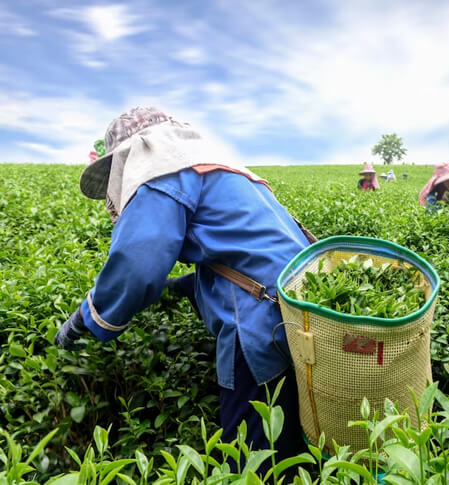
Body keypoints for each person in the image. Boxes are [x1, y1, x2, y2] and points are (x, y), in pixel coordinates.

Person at [54, 107, 311, 472]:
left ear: (133, 152)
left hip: (257, 321)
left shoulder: (161, 171)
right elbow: (245, 251)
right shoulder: (220, 170)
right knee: (286, 440)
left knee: (252, 455)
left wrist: (87, 317)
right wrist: (183, 287)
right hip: (298, 307)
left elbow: (136, 265)